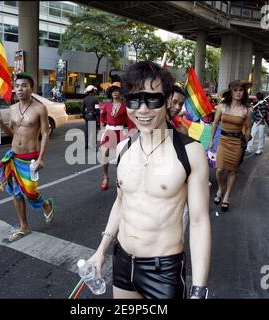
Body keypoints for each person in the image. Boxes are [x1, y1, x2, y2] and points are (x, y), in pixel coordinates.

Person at [87, 61, 211, 299]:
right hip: (122, 262)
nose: (142, 110)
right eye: (134, 100)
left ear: (166, 100)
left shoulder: (190, 152)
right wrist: (101, 251)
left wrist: (198, 289)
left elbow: (198, 221)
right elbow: (122, 202)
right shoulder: (123, 148)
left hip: (163, 270)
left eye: (152, 99)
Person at [0, 72, 55, 243]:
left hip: (30, 157)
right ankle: (24, 226)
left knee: (30, 192)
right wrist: (2, 125)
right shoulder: (12, 108)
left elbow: (45, 134)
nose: (20, 89)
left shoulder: (40, 108)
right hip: (13, 157)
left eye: (24, 86)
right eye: (17, 86)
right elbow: (13, 134)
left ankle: (46, 204)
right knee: (16, 193)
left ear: (31, 88)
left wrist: (41, 159)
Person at [209, 80, 252, 212]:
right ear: (231, 92)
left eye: (241, 90)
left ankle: (227, 195)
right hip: (223, 140)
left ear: (244, 93)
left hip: (237, 143)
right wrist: (211, 140)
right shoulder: (222, 107)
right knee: (219, 170)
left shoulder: (247, 110)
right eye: (235, 90)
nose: (238, 92)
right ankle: (221, 188)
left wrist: (246, 140)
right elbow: (215, 124)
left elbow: (248, 128)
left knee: (232, 170)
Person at [99, 81, 135, 191]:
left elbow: (130, 123)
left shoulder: (125, 107)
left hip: (120, 133)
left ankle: (119, 177)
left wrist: (131, 135)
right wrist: (101, 129)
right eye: (113, 90)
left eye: (117, 90)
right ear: (110, 92)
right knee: (104, 154)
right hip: (108, 131)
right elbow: (102, 117)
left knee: (120, 157)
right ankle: (105, 176)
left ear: (121, 92)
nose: (115, 92)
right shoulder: (107, 105)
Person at [82, 84, 99, 149]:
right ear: (92, 91)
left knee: (87, 131)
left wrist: (84, 116)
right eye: (94, 90)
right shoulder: (95, 99)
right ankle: (93, 146)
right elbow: (97, 110)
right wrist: (97, 116)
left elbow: (82, 109)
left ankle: (86, 145)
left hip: (87, 116)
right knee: (93, 131)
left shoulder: (85, 99)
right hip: (93, 116)